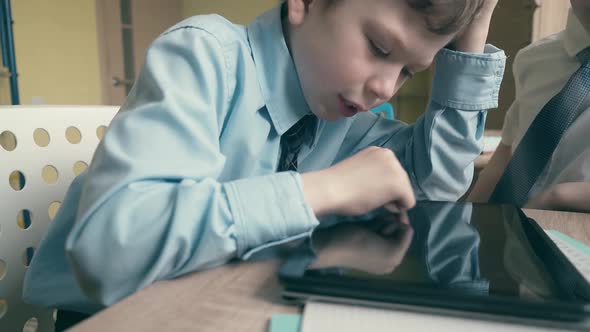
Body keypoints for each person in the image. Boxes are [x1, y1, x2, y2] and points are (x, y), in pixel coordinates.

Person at [23, 0, 505, 327]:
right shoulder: (205, 54)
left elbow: (438, 181)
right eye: (379, 47)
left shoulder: (343, 119)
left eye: (408, 71)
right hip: (118, 318)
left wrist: (475, 30)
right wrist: (323, 189)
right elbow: (113, 249)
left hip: (223, 307)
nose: (385, 87)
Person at [468, 0, 590, 213]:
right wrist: (468, 219)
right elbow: (506, 153)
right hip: (513, 235)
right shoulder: (533, 59)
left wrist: (557, 198)